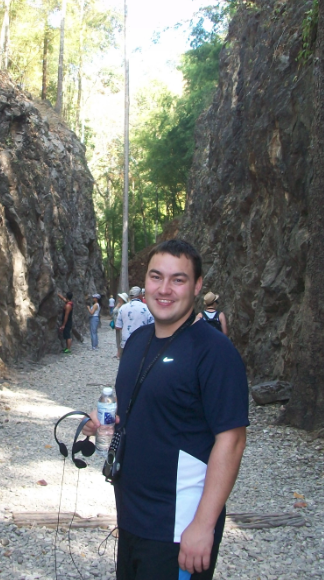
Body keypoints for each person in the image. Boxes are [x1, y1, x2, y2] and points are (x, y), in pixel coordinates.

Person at [84, 239, 248, 580]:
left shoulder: (215, 351)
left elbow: (231, 441)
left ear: (198, 285)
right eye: (157, 277)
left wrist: (203, 525)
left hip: (180, 527)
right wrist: (104, 424)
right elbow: (141, 412)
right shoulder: (138, 342)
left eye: (178, 279)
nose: (164, 289)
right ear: (146, 282)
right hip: (131, 519)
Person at [115, 285, 154, 359]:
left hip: (126, 342)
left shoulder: (123, 308)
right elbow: (152, 326)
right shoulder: (147, 308)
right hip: (142, 342)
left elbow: (118, 326)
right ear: (140, 295)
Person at [113, 292, 129, 359]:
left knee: (122, 338)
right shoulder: (119, 305)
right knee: (118, 338)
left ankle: (120, 353)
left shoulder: (124, 307)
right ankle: (118, 353)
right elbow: (114, 311)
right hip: (117, 324)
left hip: (122, 325)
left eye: (120, 298)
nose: (119, 299)